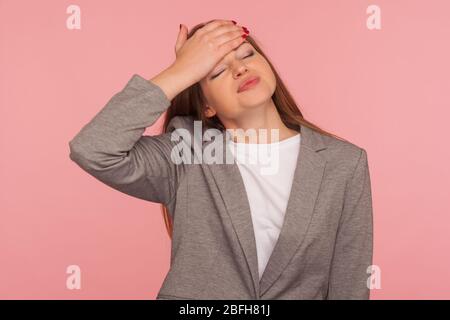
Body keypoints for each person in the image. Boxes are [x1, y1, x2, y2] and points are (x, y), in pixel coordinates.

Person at [69, 19, 374, 300]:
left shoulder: (344, 163)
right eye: (215, 71)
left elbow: (349, 286)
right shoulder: (185, 151)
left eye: (246, 55)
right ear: (206, 107)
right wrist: (182, 71)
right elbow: (93, 149)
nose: (240, 69)